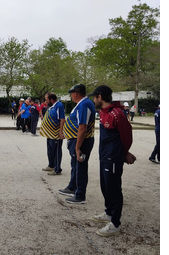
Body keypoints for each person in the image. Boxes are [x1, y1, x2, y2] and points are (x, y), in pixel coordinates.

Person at [89, 85, 136, 237]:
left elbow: (126, 135)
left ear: (100, 97)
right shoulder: (103, 112)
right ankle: (109, 213)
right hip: (104, 155)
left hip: (113, 157)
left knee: (114, 188)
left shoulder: (117, 114)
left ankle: (115, 223)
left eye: (94, 97)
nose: (93, 100)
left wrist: (124, 152)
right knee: (105, 185)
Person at [58, 84, 95, 204]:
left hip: (81, 141)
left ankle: (80, 195)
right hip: (77, 140)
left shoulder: (84, 105)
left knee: (80, 167)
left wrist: (77, 147)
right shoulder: (83, 104)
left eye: (71, 94)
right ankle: (73, 187)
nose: (71, 96)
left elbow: (82, 127)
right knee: (76, 165)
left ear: (76, 93)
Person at [40, 93, 65, 175]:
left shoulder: (59, 106)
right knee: (50, 150)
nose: (45, 101)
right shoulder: (51, 106)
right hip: (49, 133)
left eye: (47, 100)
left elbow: (62, 119)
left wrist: (61, 131)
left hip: (56, 133)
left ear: (51, 99)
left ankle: (57, 169)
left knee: (56, 151)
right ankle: (51, 165)